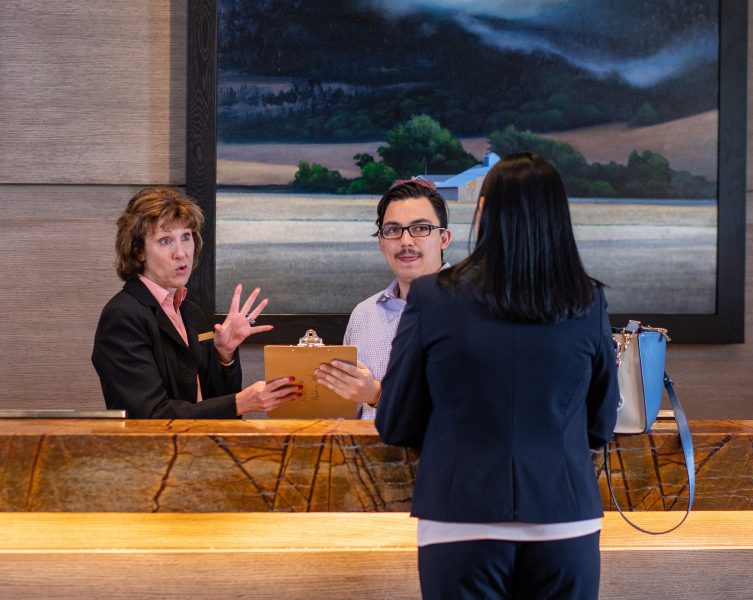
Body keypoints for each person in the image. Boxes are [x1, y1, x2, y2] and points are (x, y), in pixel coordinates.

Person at [375, 153, 619, 600]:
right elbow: (602, 423)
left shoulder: (432, 297)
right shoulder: (589, 301)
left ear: (483, 212)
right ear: (559, 217)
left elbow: (395, 422)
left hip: (459, 516)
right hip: (565, 515)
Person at [92, 187, 300, 418]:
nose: (181, 253)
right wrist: (240, 403)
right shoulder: (123, 315)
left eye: (186, 237)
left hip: (204, 448)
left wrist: (225, 356)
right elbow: (150, 416)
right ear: (139, 251)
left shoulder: (191, 313)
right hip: (157, 453)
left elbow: (214, 407)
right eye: (165, 241)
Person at [314, 180, 452, 419]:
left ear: (444, 238)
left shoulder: (476, 309)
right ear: (381, 242)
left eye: (420, 229)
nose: (406, 241)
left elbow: (471, 412)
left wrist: (378, 394)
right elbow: (344, 416)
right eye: (393, 230)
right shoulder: (364, 314)